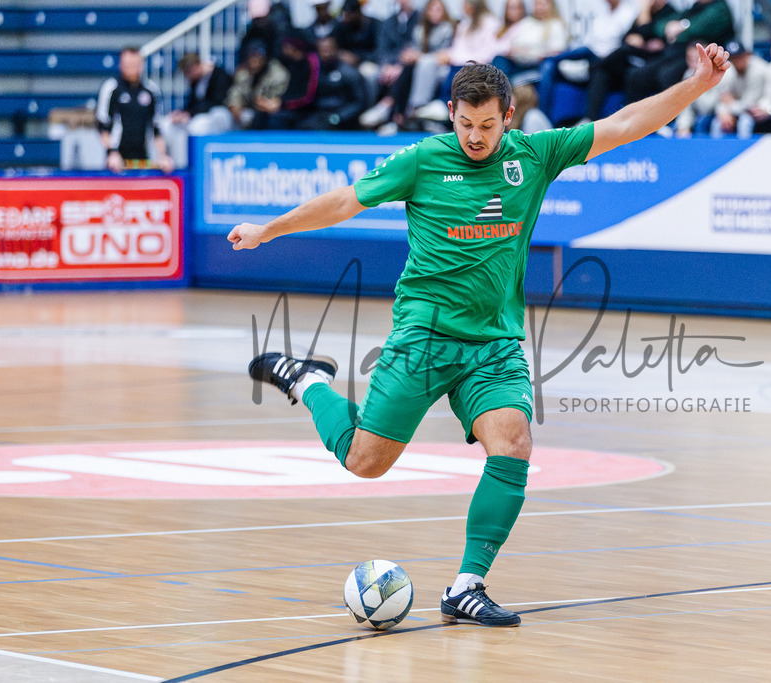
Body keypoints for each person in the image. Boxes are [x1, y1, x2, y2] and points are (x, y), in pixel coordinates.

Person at [227, 46, 732, 627]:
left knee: (513, 444)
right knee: (365, 462)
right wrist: (269, 230)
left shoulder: (535, 155)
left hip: (494, 343)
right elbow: (345, 201)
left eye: (487, 125)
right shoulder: (423, 160)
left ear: (508, 117)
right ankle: (309, 381)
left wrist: (698, 83)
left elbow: (625, 124)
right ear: (451, 113)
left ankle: (466, 585)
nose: (474, 136)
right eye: (465, 123)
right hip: (424, 336)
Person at [358, 0, 456, 130]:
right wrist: (397, 62)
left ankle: (400, 108)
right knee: (408, 67)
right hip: (416, 65)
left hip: (439, 68)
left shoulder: (448, 29)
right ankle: (397, 116)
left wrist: (419, 57)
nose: (434, 13)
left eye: (438, 9)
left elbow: (444, 55)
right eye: (431, 9)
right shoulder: (420, 28)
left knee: (418, 66)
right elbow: (396, 49)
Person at [581, 0, 683, 123]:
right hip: (635, 56)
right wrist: (635, 38)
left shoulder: (669, 12)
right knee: (602, 73)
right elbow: (628, 36)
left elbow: (652, 33)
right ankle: (590, 119)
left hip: (654, 59)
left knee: (624, 55)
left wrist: (644, 13)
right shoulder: (643, 14)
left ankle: (595, 66)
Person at [96, 46, 174, 173]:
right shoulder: (111, 88)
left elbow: (156, 129)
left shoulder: (151, 90)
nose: (132, 68)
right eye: (128, 65)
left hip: (144, 160)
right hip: (116, 162)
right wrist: (112, 152)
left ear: (142, 65)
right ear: (121, 65)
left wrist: (163, 155)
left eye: (135, 64)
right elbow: (103, 127)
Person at [164, 52, 233, 168]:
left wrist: (189, 114)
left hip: (220, 115)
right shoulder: (196, 81)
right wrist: (181, 113)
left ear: (196, 66)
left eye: (188, 72)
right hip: (201, 114)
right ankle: (179, 165)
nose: (187, 76)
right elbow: (193, 103)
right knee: (170, 123)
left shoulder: (219, 75)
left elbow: (216, 101)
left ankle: (198, 165)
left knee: (197, 126)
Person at [306, 34, 369, 129]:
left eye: (328, 50)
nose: (326, 54)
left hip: (342, 116)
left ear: (336, 50)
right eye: (322, 50)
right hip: (318, 115)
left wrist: (339, 116)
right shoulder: (313, 72)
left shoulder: (349, 73)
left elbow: (359, 102)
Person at [225, 40, 291, 129]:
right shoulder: (243, 73)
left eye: (258, 56)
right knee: (223, 115)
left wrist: (264, 103)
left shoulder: (277, 74)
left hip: (271, 113)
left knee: (269, 120)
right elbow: (235, 94)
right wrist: (235, 106)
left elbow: (275, 104)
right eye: (252, 56)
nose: (255, 60)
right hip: (248, 111)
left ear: (265, 58)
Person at [711, 39, 769, 137]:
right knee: (718, 122)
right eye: (734, 58)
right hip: (739, 108)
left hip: (760, 109)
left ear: (747, 55)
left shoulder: (758, 70)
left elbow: (750, 104)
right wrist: (724, 112)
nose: (737, 61)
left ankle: (747, 147)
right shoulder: (728, 70)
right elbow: (722, 99)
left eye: (740, 57)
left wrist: (731, 104)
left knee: (745, 121)